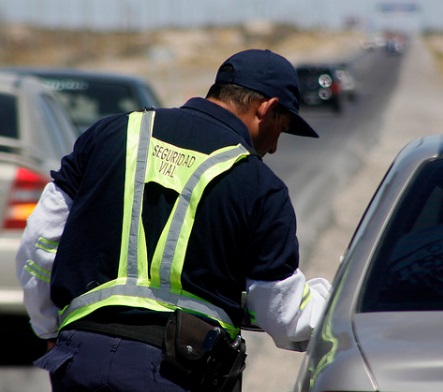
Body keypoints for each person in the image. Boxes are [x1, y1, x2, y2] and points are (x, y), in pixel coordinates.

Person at [16, 49, 331, 392]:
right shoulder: (261, 186)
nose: (273, 147)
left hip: (80, 361)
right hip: (177, 375)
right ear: (266, 109)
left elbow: (40, 241)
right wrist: (334, 304)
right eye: (281, 129)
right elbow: (285, 316)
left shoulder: (107, 134)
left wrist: (48, 328)